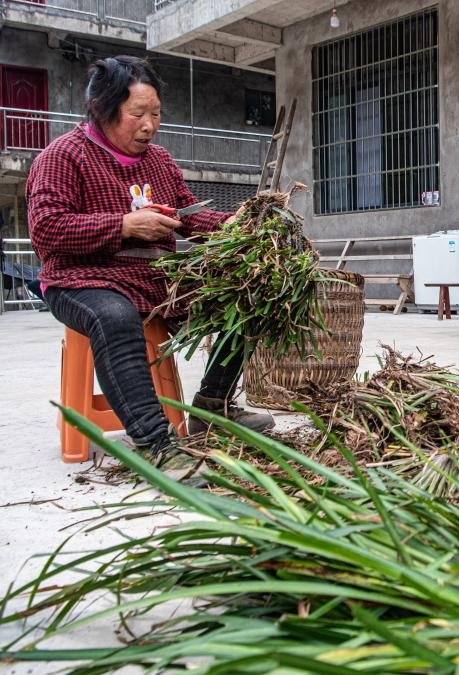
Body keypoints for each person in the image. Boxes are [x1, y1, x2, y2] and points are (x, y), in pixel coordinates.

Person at [28, 55, 274, 481]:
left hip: (154, 278)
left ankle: (213, 405)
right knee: (115, 316)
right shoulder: (63, 155)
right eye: (137, 114)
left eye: (156, 113)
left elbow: (186, 215)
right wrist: (123, 225)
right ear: (103, 111)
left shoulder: (158, 160)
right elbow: (46, 230)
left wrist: (233, 225)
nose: (149, 125)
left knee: (252, 291)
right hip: (81, 280)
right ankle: (156, 445)